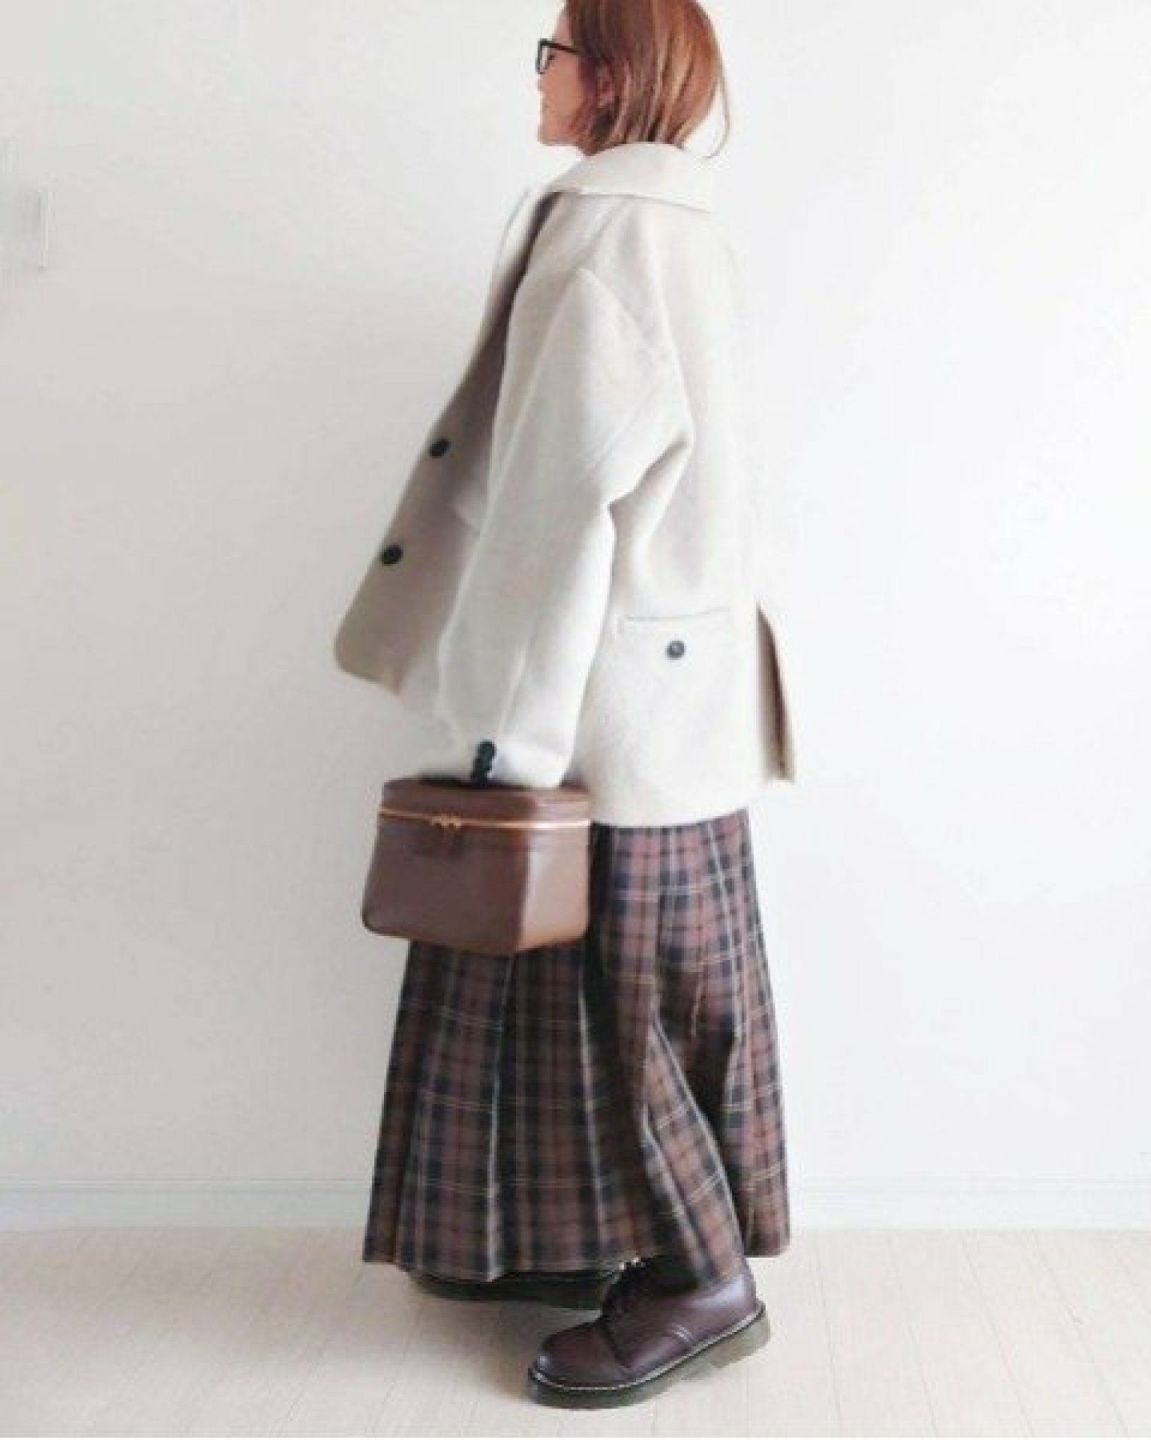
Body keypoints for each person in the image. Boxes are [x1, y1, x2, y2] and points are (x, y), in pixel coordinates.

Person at [332, 0, 800, 1410]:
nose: (540, 76)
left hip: (604, 699)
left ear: (609, 77)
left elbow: (555, 514)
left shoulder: (607, 233)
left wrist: (504, 746)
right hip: (674, 688)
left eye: (556, 52)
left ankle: (701, 1284)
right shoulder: (679, 226)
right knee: (649, 994)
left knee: (617, 1009)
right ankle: (601, 1248)